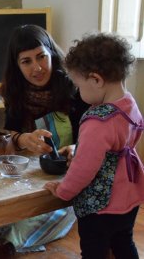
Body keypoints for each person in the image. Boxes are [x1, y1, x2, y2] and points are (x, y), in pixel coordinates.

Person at [44, 32, 144, 259]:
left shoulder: (98, 121)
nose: (78, 92)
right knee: (123, 242)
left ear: (96, 80)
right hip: (130, 194)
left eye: (79, 85)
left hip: (102, 205)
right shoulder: (129, 103)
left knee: (94, 251)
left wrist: (64, 191)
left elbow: (83, 168)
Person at [0, 25, 89, 253]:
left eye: (41, 57)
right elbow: (8, 134)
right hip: (30, 173)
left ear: (52, 54)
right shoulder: (14, 91)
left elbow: (89, 135)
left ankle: (9, 245)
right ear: (17, 66)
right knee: (0, 213)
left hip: (69, 176)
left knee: (25, 225)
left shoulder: (74, 87)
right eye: (26, 61)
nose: (37, 68)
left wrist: (76, 148)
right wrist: (24, 139)